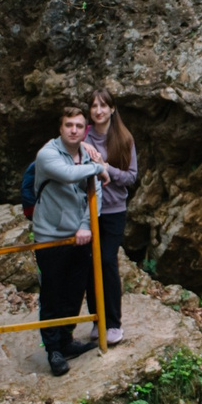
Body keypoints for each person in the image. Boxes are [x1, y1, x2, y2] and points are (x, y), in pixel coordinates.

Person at [31, 107, 111, 377]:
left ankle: (66, 339)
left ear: (85, 129)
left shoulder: (86, 155)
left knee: (75, 290)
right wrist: (100, 167)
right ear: (60, 128)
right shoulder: (48, 154)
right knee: (52, 293)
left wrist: (86, 225)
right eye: (69, 125)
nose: (74, 130)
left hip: (80, 235)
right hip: (51, 236)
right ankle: (53, 349)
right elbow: (67, 174)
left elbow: (96, 192)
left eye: (78, 125)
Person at [85, 86, 137, 346]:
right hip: (87, 211)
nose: (98, 111)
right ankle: (97, 320)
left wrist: (107, 168)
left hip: (114, 210)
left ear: (112, 109)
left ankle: (114, 323)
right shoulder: (83, 136)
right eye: (94, 106)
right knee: (90, 263)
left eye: (103, 106)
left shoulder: (124, 138)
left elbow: (131, 177)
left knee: (107, 261)